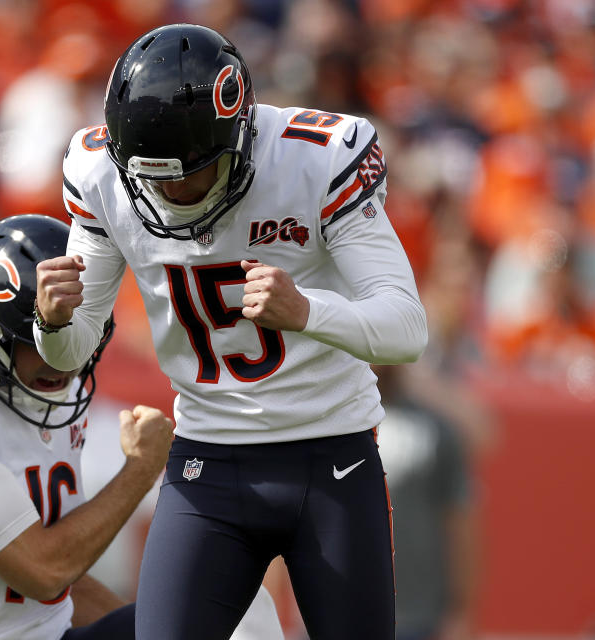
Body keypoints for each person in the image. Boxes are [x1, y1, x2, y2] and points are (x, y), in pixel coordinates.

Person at [35, 23, 427, 640]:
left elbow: (407, 327)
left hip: (331, 456)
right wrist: (51, 322)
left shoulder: (317, 156)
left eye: (188, 174)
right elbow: (74, 348)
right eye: (153, 177)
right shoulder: (100, 172)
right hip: (209, 460)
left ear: (238, 137)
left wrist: (306, 312)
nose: (170, 194)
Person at [0, 214, 282, 640]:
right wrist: (139, 469)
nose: (63, 363)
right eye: (38, 341)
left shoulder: (54, 397)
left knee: (234, 610)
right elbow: (43, 571)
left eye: (73, 341)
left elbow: (62, 591)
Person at [373, 365, 478, 640]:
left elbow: (459, 521)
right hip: (337, 611)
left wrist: (461, 612)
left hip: (419, 617)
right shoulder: (331, 428)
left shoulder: (436, 429)